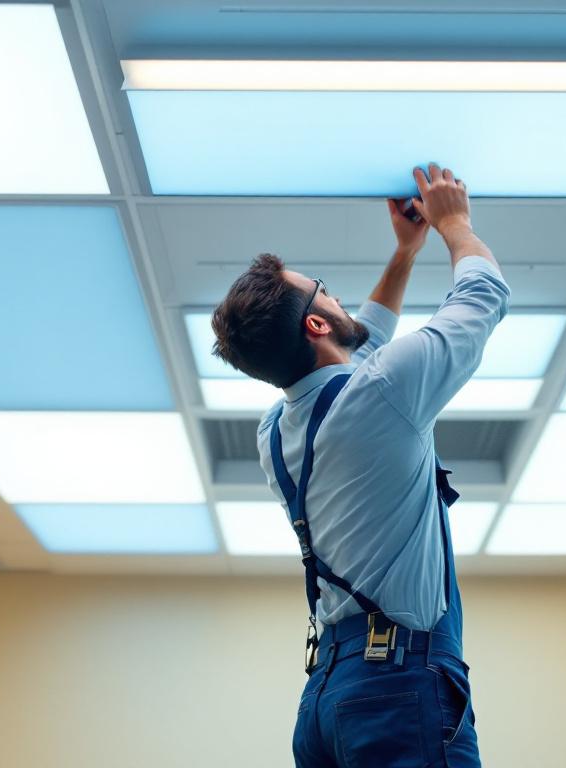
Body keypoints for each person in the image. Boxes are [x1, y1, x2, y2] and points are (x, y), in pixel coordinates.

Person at [211, 163, 509, 767]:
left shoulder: (276, 433)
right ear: (317, 323)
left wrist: (405, 253)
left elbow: (357, 349)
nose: (335, 293)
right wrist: (453, 223)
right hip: (396, 690)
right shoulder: (378, 393)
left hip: (328, 701)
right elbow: (483, 296)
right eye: (322, 289)